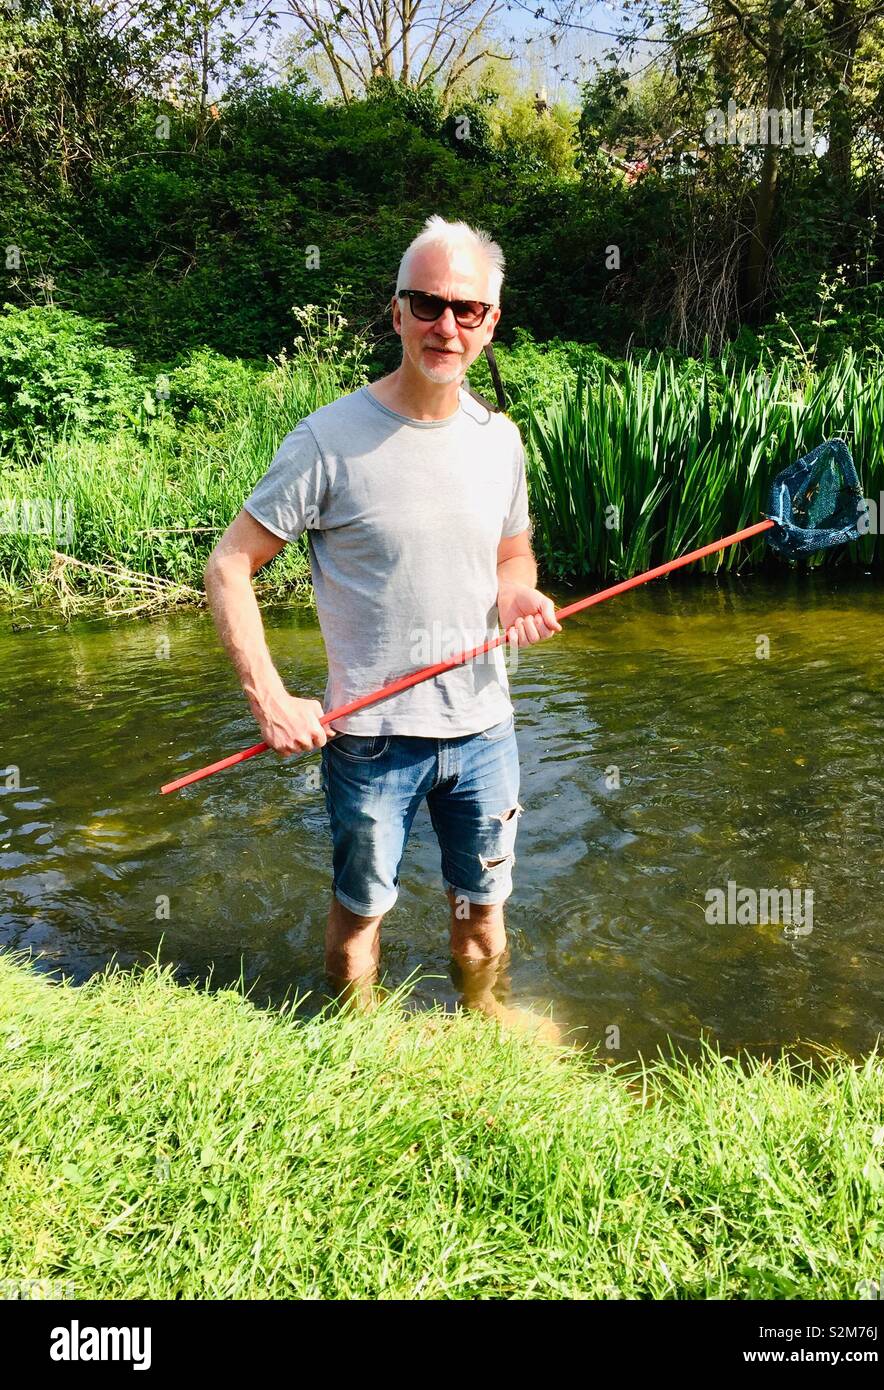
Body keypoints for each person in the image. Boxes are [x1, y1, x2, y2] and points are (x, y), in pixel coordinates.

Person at [204, 215, 561, 1025]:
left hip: (485, 730)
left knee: (481, 915)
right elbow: (229, 566)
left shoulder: (501, 440)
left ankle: (488, 1031)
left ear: (490, 323)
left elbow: (512, 557)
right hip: (368, 739)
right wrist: (270, 697)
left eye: (466, 309)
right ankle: (358, 1054)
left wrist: (518, 594)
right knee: (361, 916)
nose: (446, 325)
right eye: (428, 303)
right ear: (396, 311)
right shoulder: (328, 441)